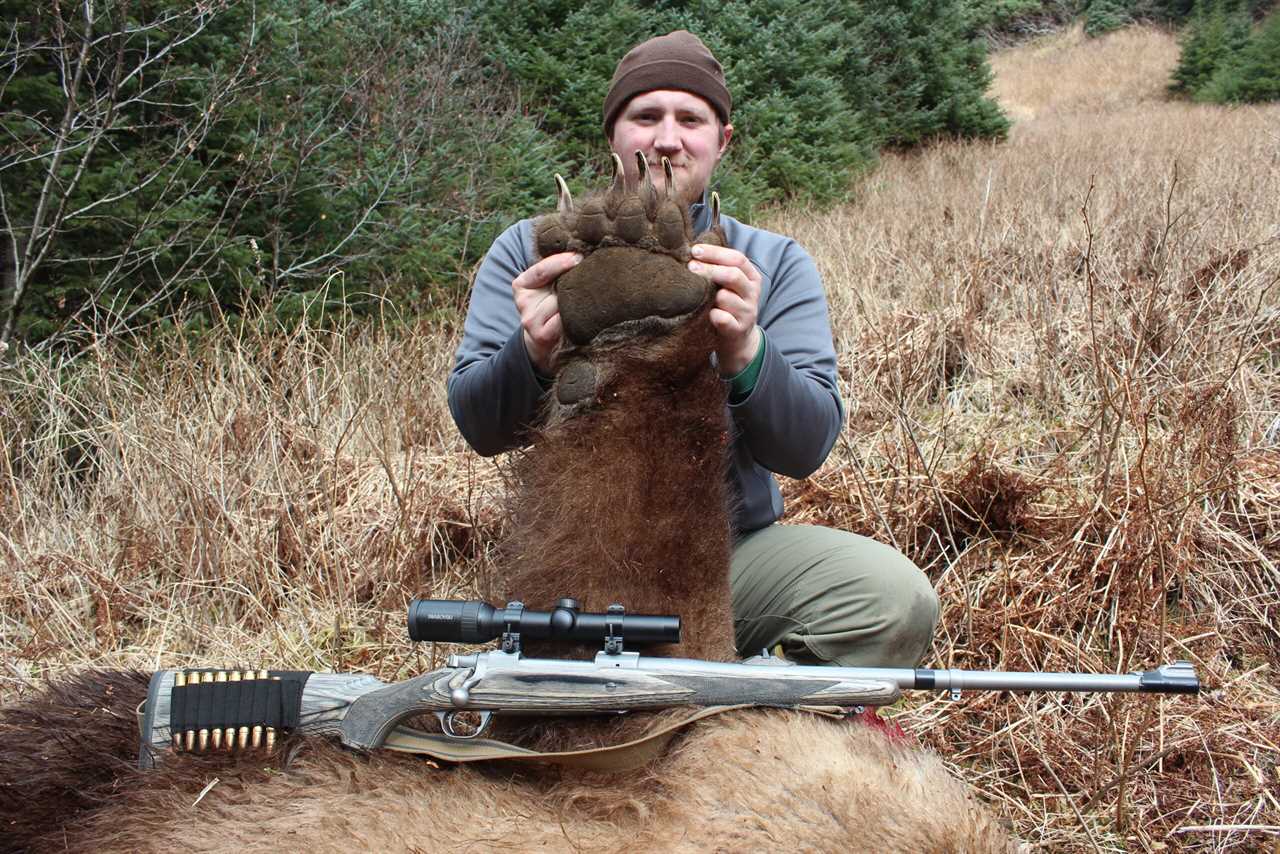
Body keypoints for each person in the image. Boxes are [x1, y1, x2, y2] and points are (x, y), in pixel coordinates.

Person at [447, 30, 938, 669]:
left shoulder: (770, 263)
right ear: (614, 134)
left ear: (721, 140)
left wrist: (745, 351)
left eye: (690, 119)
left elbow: (807, 445)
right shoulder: (532, 250)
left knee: (892, 600)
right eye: (645, 116)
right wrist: (534, 355)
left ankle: (742, 734)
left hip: (726, 553)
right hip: (578, 544)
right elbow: (478, 424)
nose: (667, 139)